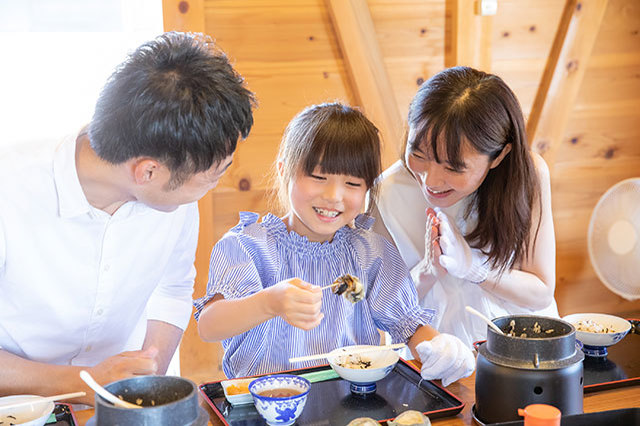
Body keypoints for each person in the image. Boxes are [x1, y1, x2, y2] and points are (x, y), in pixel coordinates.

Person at [0, 32, 256, 405]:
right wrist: (85, 383)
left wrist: (145, 381)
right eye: (213, 175)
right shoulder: (11, 189)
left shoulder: (174, 199)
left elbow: (172, 288)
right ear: (148, 172)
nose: (215, 186)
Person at [195, 102, 474, 386]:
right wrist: (270, 302)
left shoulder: (370, 253)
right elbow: (209, 325)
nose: (333, 196)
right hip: (265, 403)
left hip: (352, 401)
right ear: (284, 171)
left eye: (352, 184)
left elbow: (410, 326)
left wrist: (440, 349)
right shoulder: (248, 246)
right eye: (318, 177)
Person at [372, 66, 559, 348]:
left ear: (499, 156)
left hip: (523, 351)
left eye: (454, 167)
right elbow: (379, 308)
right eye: (419, 154)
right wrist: (428, 271)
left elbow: (541, 292)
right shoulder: (386, 192)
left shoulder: (528, 175)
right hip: (432, 357)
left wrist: (473, 267)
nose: (430, 181)